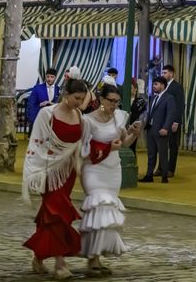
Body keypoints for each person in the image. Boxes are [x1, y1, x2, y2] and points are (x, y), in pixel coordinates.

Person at [22, 78, 90, 280]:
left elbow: (81, 144)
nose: (79, 102)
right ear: (66, 94)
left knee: (50, 215)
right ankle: (60, 264)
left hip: (67, 173)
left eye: (82, 99)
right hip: (49, 172)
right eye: (76, 98)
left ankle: (38, 255)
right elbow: (37, 143)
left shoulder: (79, 115)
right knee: (58, 213)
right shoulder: (47, 114)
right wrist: (41, 168)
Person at [79, 85, 141, 275]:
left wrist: (134, 134)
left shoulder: (119, 117)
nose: (114, 104)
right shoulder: (88, 120)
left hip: (114, 170)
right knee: (99, 209)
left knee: (107, 215)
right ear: (101, 99)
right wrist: (108, 149)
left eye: (117, 101)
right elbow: (83, 152)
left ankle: (97, 258)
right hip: (94, 171)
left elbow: (124, 143)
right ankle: (91, 259)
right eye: (110, 100)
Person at [140, 77, 177, 183]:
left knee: (163, 154)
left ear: (162, 85)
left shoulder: (169, 98)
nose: (153, 86)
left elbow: (170, 114)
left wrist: (166, 127)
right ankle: (149, 175)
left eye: (156, 84)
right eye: (153, 84)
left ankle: (164, 176)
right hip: (151, 129)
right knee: (151, 154)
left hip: (161, 130)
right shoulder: (152, 98)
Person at [160, 65, 185, 178]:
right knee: (161, 145)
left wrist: (176, 121)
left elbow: (179, 105)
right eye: (163, 72)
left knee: (173, 145)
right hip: (163, 120)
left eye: (165, 72)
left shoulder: (177, 87)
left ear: (171, 74)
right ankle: (161, 168)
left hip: (173, 121)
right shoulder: (163, 87)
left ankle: (170, 169)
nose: (163, 75)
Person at [128, 79, 148, 153]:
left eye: (131, 87)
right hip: (123, 127)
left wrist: (138, 124)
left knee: (132, 147)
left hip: (134, 127)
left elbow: (143, 114)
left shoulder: (140, 101)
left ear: (135, 89)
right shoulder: (121, 100)